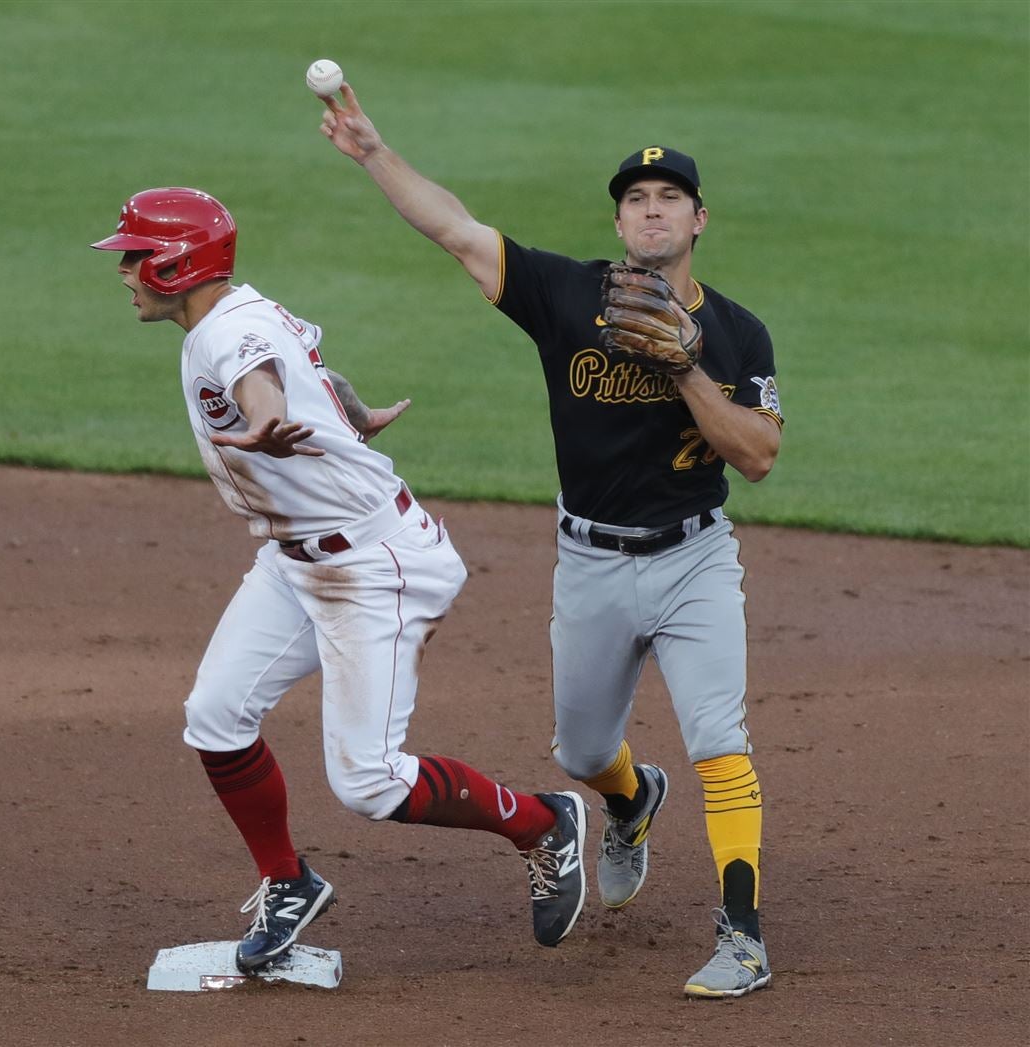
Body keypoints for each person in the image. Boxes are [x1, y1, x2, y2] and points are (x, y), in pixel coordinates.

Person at [319, 87, 783, 998]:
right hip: (591, 562)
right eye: (636, 199)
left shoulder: (736, 332)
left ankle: (744, 936)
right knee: (579, 751)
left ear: (699, 218)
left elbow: (758, 456)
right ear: (620, 217)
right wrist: (374, 151)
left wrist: (684, 367)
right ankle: (628, 798)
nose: (652, 211)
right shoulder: (569, 294)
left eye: (669, 198)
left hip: (694, 559)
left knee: (720, 742)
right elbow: (456, 230)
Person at [89, 186, 588, 974]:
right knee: (216, 715)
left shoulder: (229, 336)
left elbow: (261, 378)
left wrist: (267, 418)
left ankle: (542, 823)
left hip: (370, 565)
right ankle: (288, 880)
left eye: (134, 258)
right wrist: (349, 410)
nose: (123, 273)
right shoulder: (236, 314)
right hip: (297, 560)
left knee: (369, 783)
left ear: (177, 264)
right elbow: (303, 362)